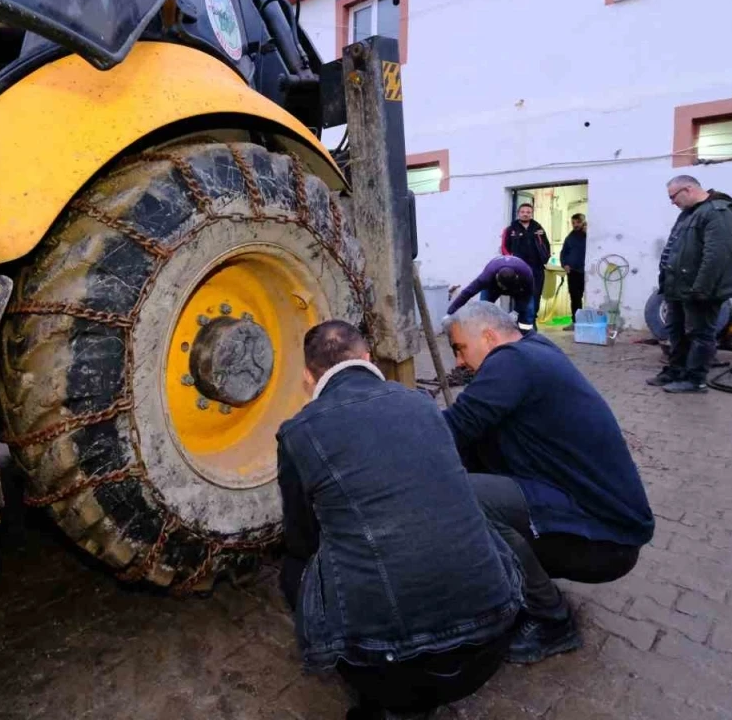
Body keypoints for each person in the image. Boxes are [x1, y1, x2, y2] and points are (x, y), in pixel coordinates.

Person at [277, 320, 522, 719]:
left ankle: (386, 703)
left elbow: (302, 542)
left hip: (392, 667)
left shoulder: (298, 432)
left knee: (293, 570)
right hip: (492, 640)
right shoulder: (423, 404)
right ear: (368, 358)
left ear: (308, 376)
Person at [441, 302, 654, 664]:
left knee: (464, 500)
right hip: (601, 524)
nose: (459, 362)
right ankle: (517, 584)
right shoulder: (535, 350)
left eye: (460, 348)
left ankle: (552, 619)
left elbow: (451, 429)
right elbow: (470, 434)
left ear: (489, 336)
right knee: (473, 466)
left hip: (604, 540)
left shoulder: (511, 362)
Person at [648, 176, 732, 394]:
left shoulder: (718, 212)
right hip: (678, 288)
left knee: (700, 333)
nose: (672, 202)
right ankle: (676, 370)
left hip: (701, 290)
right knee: (676, 331)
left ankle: (695, 379)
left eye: (673, 197)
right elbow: (676, 249)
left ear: (689, 189)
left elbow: (716, 256)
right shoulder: (689, 214)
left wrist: (701, 289)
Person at [446, 255, 537, 330]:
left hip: (518, 288)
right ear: (496, 277)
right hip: (493, 288)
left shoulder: (526, 274)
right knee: (483, 311)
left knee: (528, 311)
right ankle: (484, 334)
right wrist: (450, 313)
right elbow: (467, 293)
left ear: (516, 278)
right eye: (503, 287)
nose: (504, 291)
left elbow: (528, 294)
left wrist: (516, 311)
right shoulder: (486, 277)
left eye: (506, 288)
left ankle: (527, 337)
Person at [501, 203, 552, 316]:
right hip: (518, 269)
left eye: (528, 212)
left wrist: (546, 258)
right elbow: (504, 248)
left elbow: (546, 246)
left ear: (531, 214)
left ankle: (532, 321)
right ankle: (520, 323)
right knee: (520, 295)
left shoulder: (538, 228)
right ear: (518, 213)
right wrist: (511, 263)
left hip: (536, 269)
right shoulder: (510, 230)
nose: (525, 214)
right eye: (523, 212)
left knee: (535, 295)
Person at [560, 213, 587, 322]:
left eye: (578, 222)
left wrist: (588, 233)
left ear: (583, 222)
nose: (575, 225)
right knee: (575, 298)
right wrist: (564, 264)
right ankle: (576, 322)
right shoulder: (570, 237)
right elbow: (564, 253)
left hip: (587, 271)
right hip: (573, 272)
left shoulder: (589, 235)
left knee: (590, 297)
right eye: (573, 223)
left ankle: (588, 322)